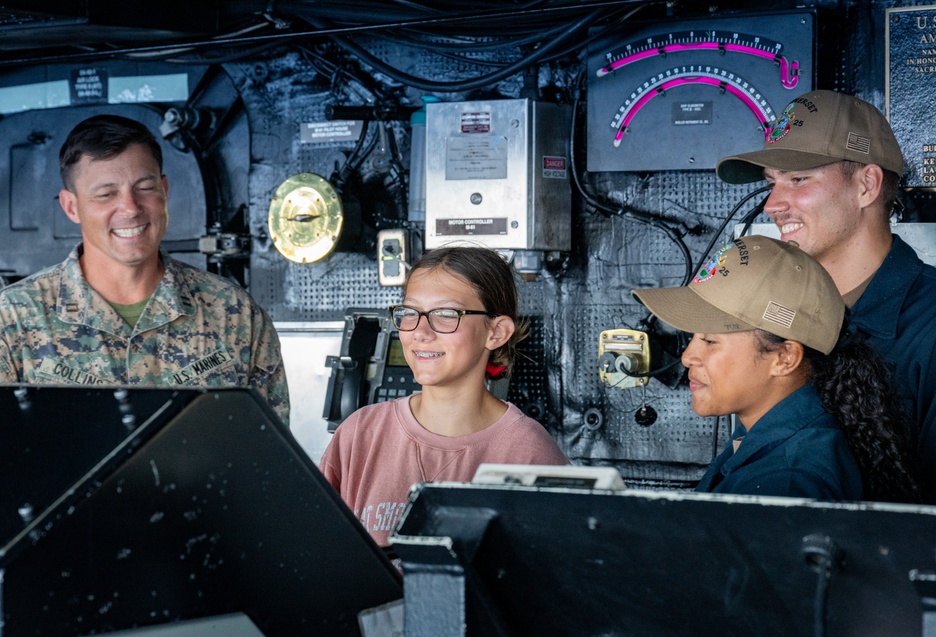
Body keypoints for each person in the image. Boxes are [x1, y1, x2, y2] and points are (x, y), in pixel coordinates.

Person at [0, 114, 289, 424]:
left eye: (145, 188)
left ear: (165, 191)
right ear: (72, 206)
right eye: (105, 194)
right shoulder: (9, 324)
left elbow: (270, 460)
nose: (130, 208)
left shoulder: (236, 316)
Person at [716, 89, 936, 501]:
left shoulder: (931, 329)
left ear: (866, 184)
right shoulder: (778, 318)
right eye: (771, 183)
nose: (772, 204)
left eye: (798, 179)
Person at [633, 235, 919, 502]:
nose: (687, 357)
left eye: (709, 340)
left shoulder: (787, 481)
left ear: (785, 358)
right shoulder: (760, 431)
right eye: (692, 337)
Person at [319, 245, 569, 546]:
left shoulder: (528, 453)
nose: (420, 332)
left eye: (446, 314)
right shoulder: (359, 434)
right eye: (410, 312)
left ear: (497, 332)